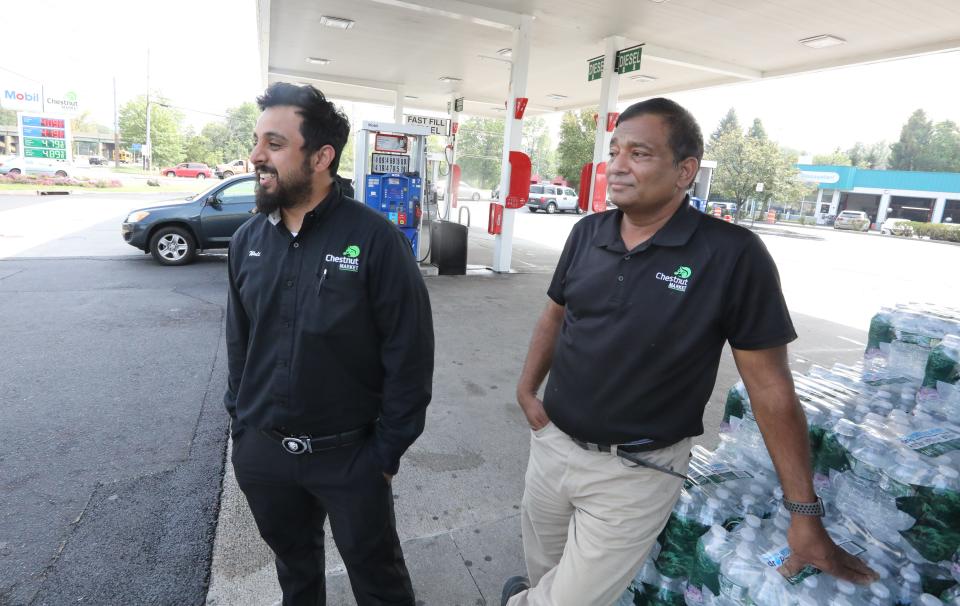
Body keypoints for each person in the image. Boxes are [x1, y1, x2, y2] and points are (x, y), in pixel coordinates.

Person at [500, 98, 877, 606]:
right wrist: (527, 393)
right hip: (552, 449)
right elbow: (555, 315)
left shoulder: (732, 255)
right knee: (542, 574)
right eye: (615, 151)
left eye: (639, 153)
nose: (617, 165)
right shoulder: (586, 233)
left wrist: (803, 513)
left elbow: (769, 387)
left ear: (685, 171)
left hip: (635, 473)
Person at [224, 82, 434, 606]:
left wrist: (384, 454)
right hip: (265, 455)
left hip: (351, 458)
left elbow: (409, 358)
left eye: (273, 144)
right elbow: (239, 344)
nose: (256, 156)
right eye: (257, 142)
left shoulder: (378, 241)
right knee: (295, 572)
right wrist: (243, 432)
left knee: (377, 579)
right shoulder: (247, 241)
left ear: (322, 157)